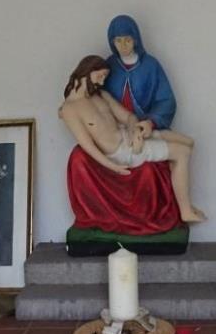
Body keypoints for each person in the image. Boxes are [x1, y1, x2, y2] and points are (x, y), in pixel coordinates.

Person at [60, 55, 205, 223]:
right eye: (100, 76)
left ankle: (178, 192)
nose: (102, 82)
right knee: (182, 152)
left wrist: (134, 132)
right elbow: (88, 147)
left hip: (128, 136)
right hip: (121, 151)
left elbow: (128, 117)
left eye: (104, 77)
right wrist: (114, 167)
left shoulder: (101, 95)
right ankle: (185, 211)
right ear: (87, 70)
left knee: (188, 142)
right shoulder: (69, 109)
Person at [104, 15, 176, 147]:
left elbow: (166, 101)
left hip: (143, 128)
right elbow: (96, 94)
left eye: (128, 40)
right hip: (114, 129)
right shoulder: (109, 65)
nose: (123, 45)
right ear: (112, 42)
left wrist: (151, 122)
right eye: (118, 40)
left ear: (135, 39)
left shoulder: (150, 65)